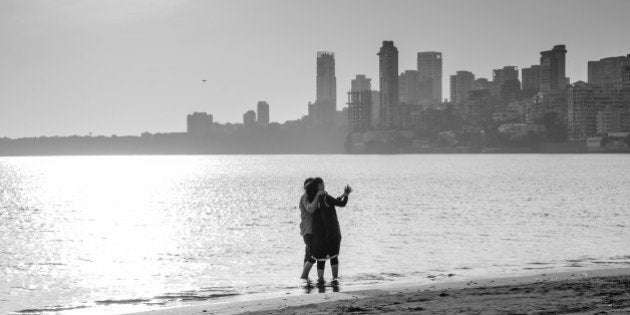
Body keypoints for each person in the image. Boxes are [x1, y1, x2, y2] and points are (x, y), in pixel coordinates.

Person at [306, 177, 352, 284]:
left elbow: (332, 202)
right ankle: (335, 279)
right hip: (331, 231)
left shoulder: (315, 199)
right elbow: (341, 204)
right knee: (333, 255)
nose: (324, 185)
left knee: (320, 258)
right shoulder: (325, 197)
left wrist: (341, 196)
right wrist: (346, 196)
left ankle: (320, 281)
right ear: (319, 185)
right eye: (323, 184)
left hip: (320, 232)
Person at [299, 177, 317, 280]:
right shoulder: (305, 197)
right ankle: (304, 276)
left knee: (308, 254)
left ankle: (305, 279)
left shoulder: (312, 196)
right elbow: (310, 209)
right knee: (314, 254)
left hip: (313, 230)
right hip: (307, 230)